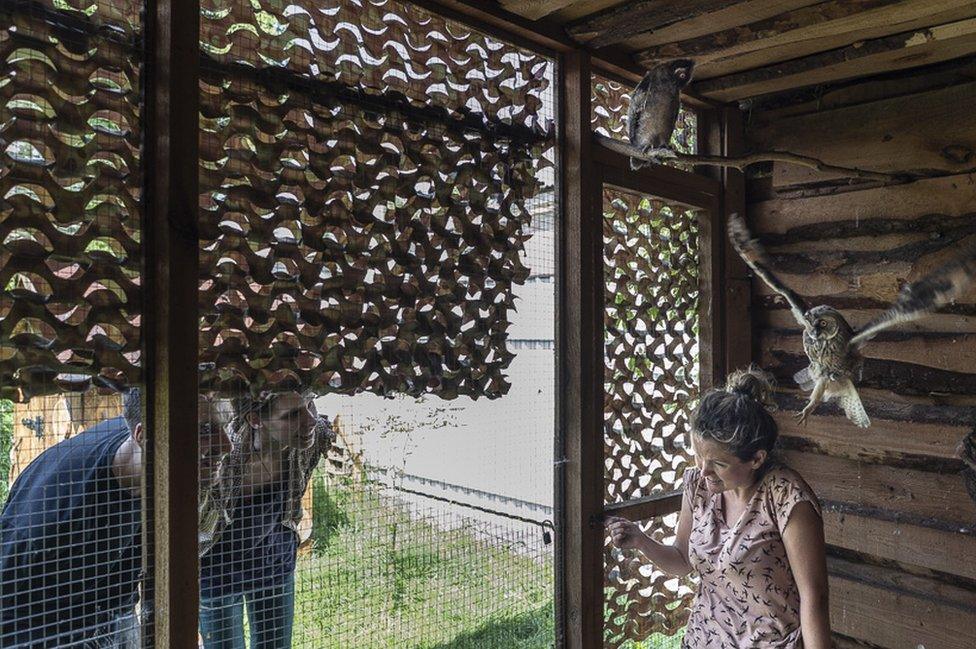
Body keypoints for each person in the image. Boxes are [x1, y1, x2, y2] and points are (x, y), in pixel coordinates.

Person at [606, 368, 831, 649]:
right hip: (703, 640)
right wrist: (641, 540)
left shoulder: (786, 497)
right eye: (699, 456)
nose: (704, 471)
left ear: (756, 459)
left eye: (718, 464)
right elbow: (682, 560)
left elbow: (815, 597)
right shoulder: (697, 486)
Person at [0, 388, 232, 648]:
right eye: (205, 430)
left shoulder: (151, 446)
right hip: (42, 624)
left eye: (223, 425)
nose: (227, 445)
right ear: (144, 436)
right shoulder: (56, 511)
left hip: (110, 606)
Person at [198, 390, 334, 649]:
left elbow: (322, 429)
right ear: (255, 420)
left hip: (274, 561)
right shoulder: (222, 458)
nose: (310, 421)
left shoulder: (309, 442)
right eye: (292, 414)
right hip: (217, 572)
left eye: (309, 405)